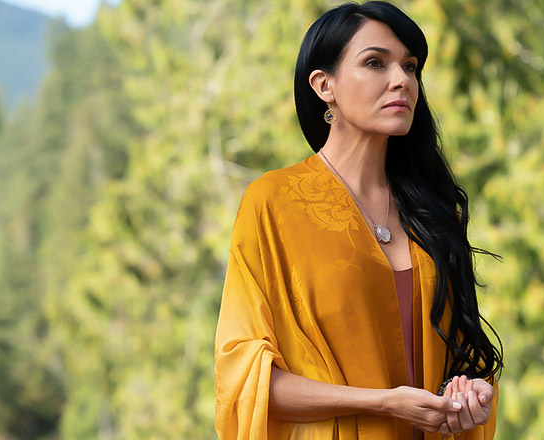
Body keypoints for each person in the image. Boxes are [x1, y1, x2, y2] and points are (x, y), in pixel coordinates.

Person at [214, 2, 503, 439]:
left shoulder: (433, 211)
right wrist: (382, 402)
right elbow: (246, 381)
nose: (401, 80)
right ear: (324, 85)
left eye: (410, 67)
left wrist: (465, 394)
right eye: (375, 63)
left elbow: (459, 358)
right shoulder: (272, 204)